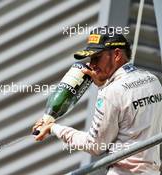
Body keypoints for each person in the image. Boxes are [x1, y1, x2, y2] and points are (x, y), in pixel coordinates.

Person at [32, 26, 162, 175]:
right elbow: (128, 115)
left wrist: (54, 128)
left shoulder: (110, 93)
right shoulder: (152, 80)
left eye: (97, 57)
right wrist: (103, 86)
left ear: (117, 54)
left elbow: (94, 145)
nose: (91, 65)